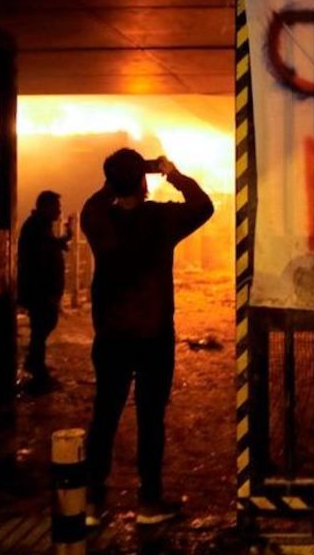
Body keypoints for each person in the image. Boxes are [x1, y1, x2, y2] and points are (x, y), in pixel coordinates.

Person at [80, 149, 214, 525]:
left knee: (104, 414)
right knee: (151, 418)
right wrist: (170, 173)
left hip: (110, 335)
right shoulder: (160, 219)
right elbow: (203, 206)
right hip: (154, 335)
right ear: (143, 181)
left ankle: (92, 502)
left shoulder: (97, 218)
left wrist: (122, 177)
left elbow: (97, 199)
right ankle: (149, 503)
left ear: (110, 182)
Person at [17, 190, 71, 388]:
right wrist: (47, 291)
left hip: (41, 290)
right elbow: (39, 259)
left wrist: (61, 241)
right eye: (56, 207)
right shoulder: (36, 227)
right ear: (45, 207)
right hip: (40, 290)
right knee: (41, 327)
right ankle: (37, 371)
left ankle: (34, 362)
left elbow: (45, 247)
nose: (59, 210)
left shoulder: (40, 226)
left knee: (42, 327)